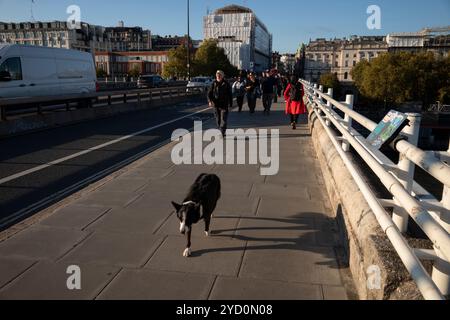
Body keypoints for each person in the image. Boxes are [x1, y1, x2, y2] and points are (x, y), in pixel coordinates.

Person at [208, 70, 233, 137]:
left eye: (220, 75)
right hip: (216, 104)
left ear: (222, 76)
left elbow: (230, 94)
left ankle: (223, 131)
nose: (218, 76)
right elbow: (209, 94)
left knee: (224, 119)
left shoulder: (226, 84)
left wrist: (230, 104)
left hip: (224, 104)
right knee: (218, 120)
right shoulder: (213, 83)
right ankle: (221, 129)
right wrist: (210, 101)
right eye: (217, 75)